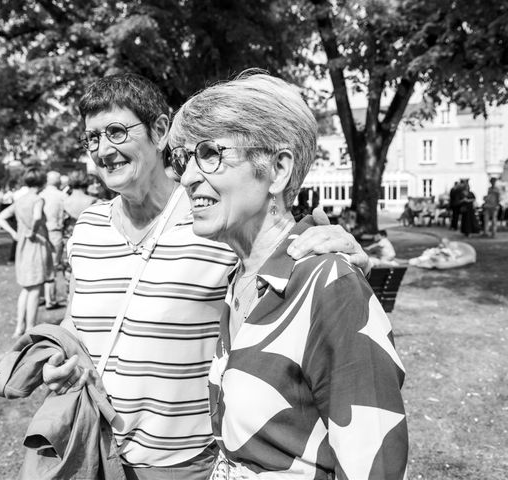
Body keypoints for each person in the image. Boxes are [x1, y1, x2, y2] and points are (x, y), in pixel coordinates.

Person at [41, 73, 372, 480]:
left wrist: (346, 254)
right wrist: (63, 356)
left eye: (115, 131)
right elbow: (76, 320)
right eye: (92, 138)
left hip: (185, 465)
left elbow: (280, 256)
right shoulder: (88, 226)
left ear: (160, 131)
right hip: (98, 452)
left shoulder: (212, 219)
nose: (103, 149)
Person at [169, 72, 407, 479]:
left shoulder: (329, 283)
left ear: (278, 170)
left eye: (209, 153)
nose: (187, 176)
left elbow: (376, 465)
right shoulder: (242, 278)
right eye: (183, 159)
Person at [0, 168, 55, 338]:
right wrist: (33, 231)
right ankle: (30, 328)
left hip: (22, 246)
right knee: (35, 288)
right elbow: (37, 217)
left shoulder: (20, 200)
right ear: (42, 182)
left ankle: (19, 327)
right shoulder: (38, 199)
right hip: (35, 245)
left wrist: (14, 233)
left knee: (26, 289)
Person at [40, 170, 67, 309]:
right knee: (54, 265)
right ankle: (50, 299)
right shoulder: (61, 196)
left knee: (44, 265)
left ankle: (43, 296)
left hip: (42, 232)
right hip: (55, 231)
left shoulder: (41, 195)